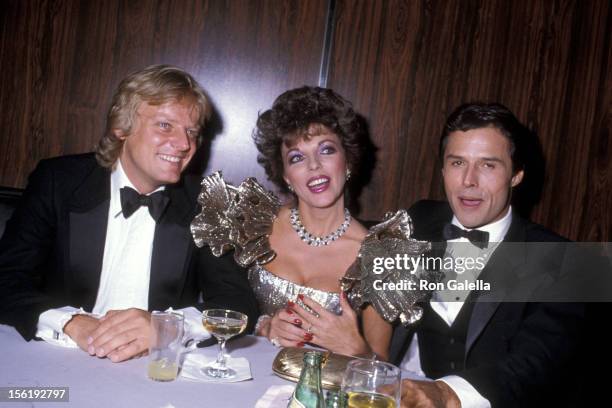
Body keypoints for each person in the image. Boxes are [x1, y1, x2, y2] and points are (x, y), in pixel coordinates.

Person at [0, 64, 258, 363]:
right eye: (165, 125)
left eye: (192, 132)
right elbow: (6, 279)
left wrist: (166, 328)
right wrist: (68, 322)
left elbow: (237, 304)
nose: (185, 144)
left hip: (153, 367)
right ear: (121, 127)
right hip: (58, 355)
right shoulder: (59, 181)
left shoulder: (208, 202)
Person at [389, 103, 587, 407]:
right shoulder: (418, 220)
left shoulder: (559, 259)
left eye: (488, 165)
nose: (468, 181)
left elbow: (534, 365)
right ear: (443, 168)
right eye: (457, 163)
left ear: (517, 175)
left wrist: (445, 394)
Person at [248, 86, 392, 359]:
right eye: (297, 157)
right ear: (286, 175)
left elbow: (384, 373)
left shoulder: (380, 257)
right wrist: (265, 327)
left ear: (347, 160)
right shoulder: (256, 227)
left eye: (326, 150)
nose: (314, 165)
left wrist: (357, 350)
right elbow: (223, 313)